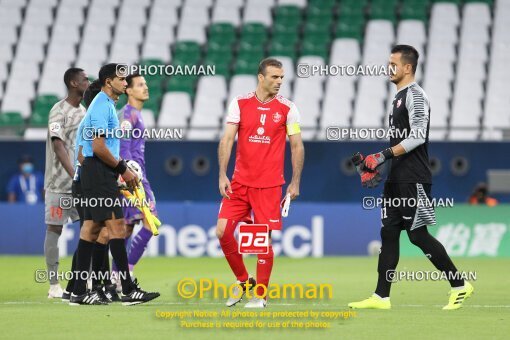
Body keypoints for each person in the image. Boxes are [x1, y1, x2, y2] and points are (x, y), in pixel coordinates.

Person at [348, 45, 474, 311]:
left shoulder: (416, 96)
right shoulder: (397, 98)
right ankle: (381, 296)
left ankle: (460, 285)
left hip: (414, 179)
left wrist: (381, 156)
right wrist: (380, 168)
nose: (388, 67)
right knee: (389, 233)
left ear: (407, 67)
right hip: (396, 179)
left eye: (393, 63)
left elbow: (417, 136)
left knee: (417, 236)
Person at [216, 58, 305, 308]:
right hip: (239, 183)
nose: (279, 82)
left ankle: (261, 296)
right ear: (261, 77)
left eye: (281, 78)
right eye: (274, 77)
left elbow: (297, 146)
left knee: (259, 242)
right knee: (222, 232)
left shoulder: (288, 108)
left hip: (268, 186)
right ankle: (244, 280)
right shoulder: (240, 103)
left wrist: (295, 182)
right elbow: (227, 139)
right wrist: (222, 174)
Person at [69, 63, 159, 305]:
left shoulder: (106, 105)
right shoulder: (101, 105)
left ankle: (80, 290)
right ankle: (126, 288)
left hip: (98, 172)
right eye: (121, 79)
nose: (125, 83)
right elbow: (98, 146)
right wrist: (123, 170)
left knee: (93, 228)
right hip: (98, 170)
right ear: (109, 82)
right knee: (116, 227)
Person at [62, 80, 119, 303]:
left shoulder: (91, 121)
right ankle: (89, 287)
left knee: (94, 232)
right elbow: (84, 157)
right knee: (95, 232)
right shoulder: (93, 123)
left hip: (85, 182)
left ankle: (78, 287)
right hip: (87, 183)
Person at [43, 68, 89, 298]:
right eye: (84, 79)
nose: (88, 81)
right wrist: (74, 174)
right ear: (73, 82)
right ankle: (53, 285)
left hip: (80, 184)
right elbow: (57, 144)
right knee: (55, 228)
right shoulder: (57, 110)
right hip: (58, 183)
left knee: (89, 228)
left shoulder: (84, 111)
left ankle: (80, 281)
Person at [111, 73, 159, 288]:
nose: (145, 88)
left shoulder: (135, 115)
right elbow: (123, 150)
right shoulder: (127, 117)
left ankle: (116, 276)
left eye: (146, 84)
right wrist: (129, 179)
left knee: (127, 228)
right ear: (128, 90)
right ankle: (125, 273)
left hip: (137, 178)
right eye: (140, 85)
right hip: (133, 179)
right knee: (151, 222)